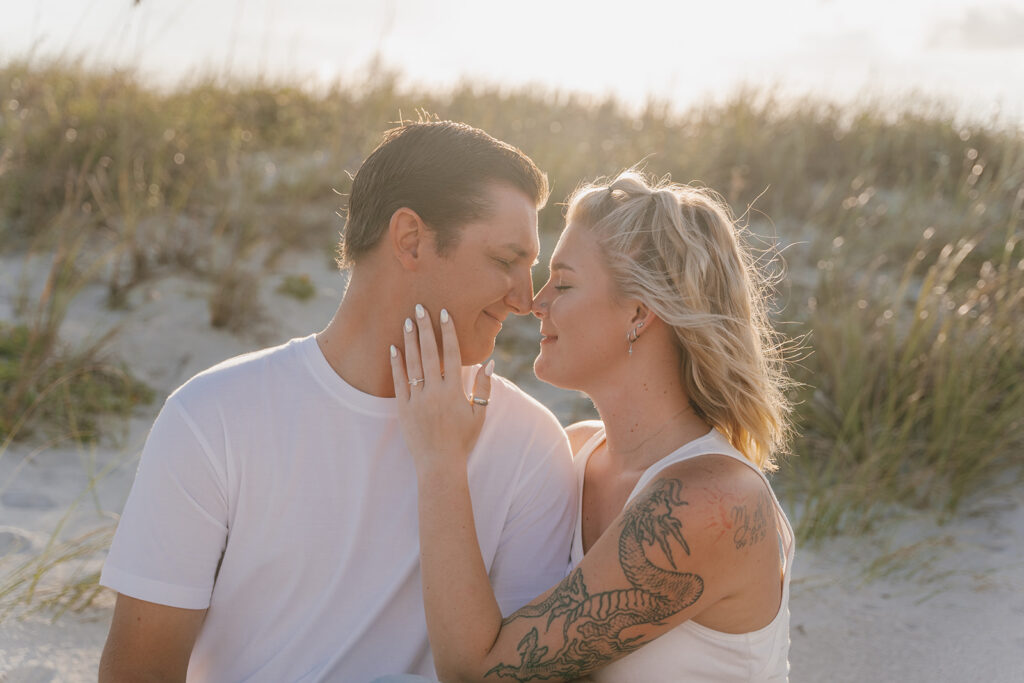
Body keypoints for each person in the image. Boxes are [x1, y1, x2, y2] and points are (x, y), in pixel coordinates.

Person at [97, 121, 578, 682]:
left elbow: (517, 674)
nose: (525, 299)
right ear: (411, 240)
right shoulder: (214, 417)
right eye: (504, 261)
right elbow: (139, 670)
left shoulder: (531, 444)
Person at [389, 170, 795, 682]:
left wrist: (440, 459)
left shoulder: (716, 502)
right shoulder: (579, 453)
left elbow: (479, 675)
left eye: (564, 283)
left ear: (639, 313)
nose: (536, 303)